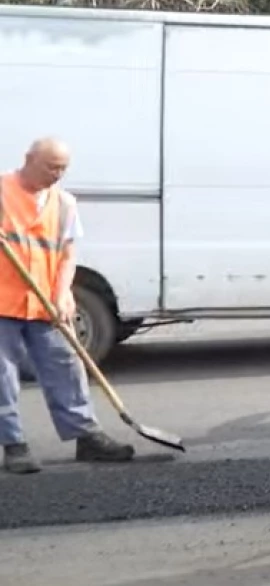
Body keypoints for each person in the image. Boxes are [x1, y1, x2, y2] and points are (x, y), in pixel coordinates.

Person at [0, 138, 135, 474]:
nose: (57, 174)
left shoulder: (63, 203)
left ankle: (86, 436)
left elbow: (68, 254)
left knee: (67, 367)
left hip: (45, 302)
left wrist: (62, 293)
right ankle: (14, 445)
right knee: (2, 376)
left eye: (62, 168)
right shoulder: (2, 191)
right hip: (2, 303)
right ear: (29, 159)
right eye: (51, 166)